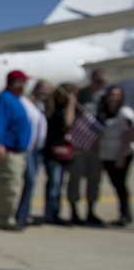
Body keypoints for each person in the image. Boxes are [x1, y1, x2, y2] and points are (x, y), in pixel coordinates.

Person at [0, 70, 32, 231]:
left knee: (14, 185)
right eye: (23, 82)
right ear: (16, 82)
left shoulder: (16, 100)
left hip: (18, 151)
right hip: (8, 151)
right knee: (9, 186)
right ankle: (5, 219)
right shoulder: (5, 99)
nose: (25, 85)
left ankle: (10, 216)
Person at [67, 69, 108, 225]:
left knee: (94, 179)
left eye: (104, 82)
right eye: (98, 81)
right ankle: (74, 211)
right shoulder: (81, 96)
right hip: (80, 144)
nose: (101, 85)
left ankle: (91, 210)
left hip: (97, 146)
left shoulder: (105, 98)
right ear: (91, 80)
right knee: (75, 178)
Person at [95, 86, 133, 226]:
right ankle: (125, 213)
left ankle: (125, 214)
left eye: (117, 95)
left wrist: (121, 157)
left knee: (120, 185)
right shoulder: (103, 112)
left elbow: (130, 135)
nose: (114, 98)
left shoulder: (125, 113)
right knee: (115, 184)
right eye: (112, 95)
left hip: (121, 154)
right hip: (107, 154)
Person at [16, 79, 51, 226]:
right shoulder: (25, 102)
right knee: (29, 181)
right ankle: (21, 215)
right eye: (41, 88)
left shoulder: (42, 106)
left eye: (47, 89)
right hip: (28, 149)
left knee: (32, 182)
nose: (44, 91)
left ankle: (27, 213)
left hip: (38, 149)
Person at [43, 84, 77, 225]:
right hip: (53, 152)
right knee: (54, 183)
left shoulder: (62, 109)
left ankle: (54, 212)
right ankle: (51, 214)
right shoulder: (54, 109)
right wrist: (71, 104)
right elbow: (68, 123)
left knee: (58, 184)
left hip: (64, 152)